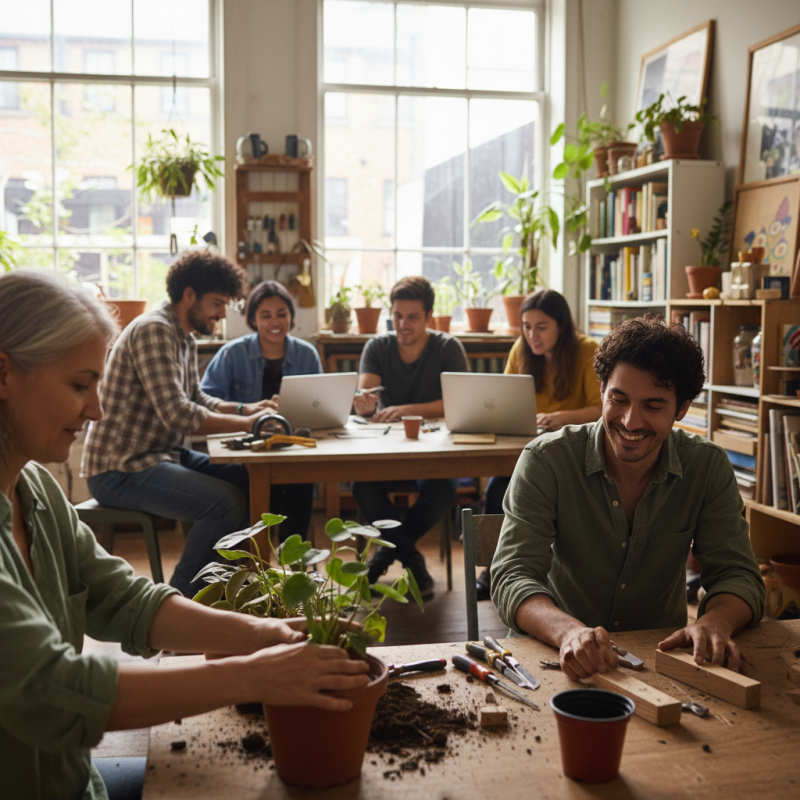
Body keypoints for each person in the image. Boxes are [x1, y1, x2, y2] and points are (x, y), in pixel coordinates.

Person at [0, 270, 369, 800]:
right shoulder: (154, 333)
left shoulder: (35, 489)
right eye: (80, 385)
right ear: (4, 373)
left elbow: (127, 600)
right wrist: (256, 675)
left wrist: (257, 635)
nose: (97, 408)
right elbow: (52, 693)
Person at [491, 315, 765, 681]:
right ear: (602, 389)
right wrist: (568, 631)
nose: (631, 421)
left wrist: (715, 622)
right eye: (618, 399)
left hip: (661, 661)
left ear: (681, 409)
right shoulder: (546, 460)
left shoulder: (707, 466)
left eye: (653, 406)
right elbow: (513, 573)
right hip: (550, 657)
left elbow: (738, 574)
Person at [82, 251, 276, 598]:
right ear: (189, 295)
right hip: (119, 469)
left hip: (159, 455)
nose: (221, 313)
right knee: (225, 503)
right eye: (217, 303)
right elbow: (179, 415)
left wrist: (249, 408)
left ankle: (228, 588)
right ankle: (185, 600)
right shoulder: (155, 330)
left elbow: (197, 400)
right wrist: (250, 425)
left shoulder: (182, 335)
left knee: (248, 478)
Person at [477, 289, 602, 600]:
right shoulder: (521, 350)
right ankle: (495, 566)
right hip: (523, 447)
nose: (532, 335)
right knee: (495, 491)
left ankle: (530, 568)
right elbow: (503, 397)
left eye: (541, 327)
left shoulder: (588, 350)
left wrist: (559, 417)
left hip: (571, 450)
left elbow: (601, 409)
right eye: (527, 326)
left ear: (561, 324)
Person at [352, 276, 469, 597]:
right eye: (397, 316)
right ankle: (412, 560)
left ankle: (381, 559)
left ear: (429, 317)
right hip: (385, 447)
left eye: (412, 317)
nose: (402, 324)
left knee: (443, 490)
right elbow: (366, 393)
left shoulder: (447, 347)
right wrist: (363, 404)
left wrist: (406, 409)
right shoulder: (377, 346)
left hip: (435, 449)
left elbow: (457, 402)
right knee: (361, 485)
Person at [201, 280, 322, 541]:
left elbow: (319, 406)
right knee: (257, 490)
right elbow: (206, 398)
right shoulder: (232, 354)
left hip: (293, 449)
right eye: (265, 316)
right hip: (247, 450)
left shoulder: (307, 355)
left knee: (301, 482)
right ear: (253, 319)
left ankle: (293, 566)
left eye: (282, 314)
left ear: (291, 317)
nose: (274, 322)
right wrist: (246, 412)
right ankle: (256, 565)